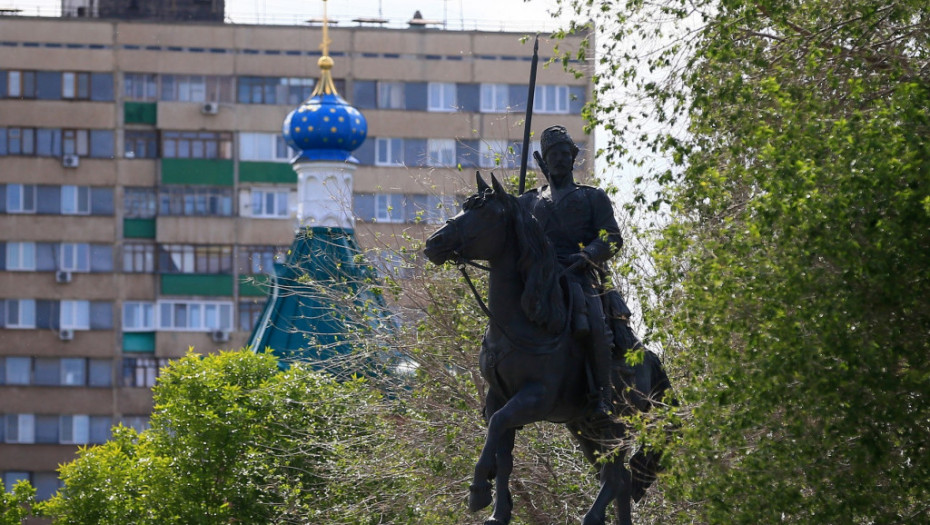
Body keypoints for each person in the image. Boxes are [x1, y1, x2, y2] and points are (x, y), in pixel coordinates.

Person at [520, 125, 622, 419]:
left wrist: (588, 254)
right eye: (555, 154)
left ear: (573, 158)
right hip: (541, 279)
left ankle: (604, 396)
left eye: (566, 153)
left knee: (597, 324)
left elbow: (612, 237)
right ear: (545, 160)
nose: (561, 159)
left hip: (579, 275)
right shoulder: (530, 201)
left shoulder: (592, 197)